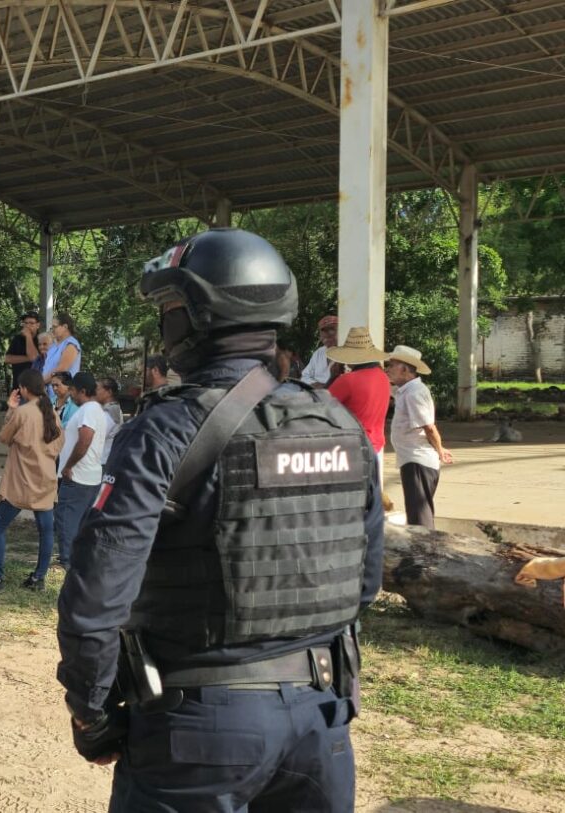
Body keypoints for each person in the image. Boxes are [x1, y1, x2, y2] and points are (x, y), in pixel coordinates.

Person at [57, 228, 384, 812]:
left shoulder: (162, 430)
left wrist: (91, 709)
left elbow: (96, 595)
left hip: (197, 732)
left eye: (169, 310)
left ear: (194, 318)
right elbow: (364, 581)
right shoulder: (338, 424)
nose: (165, 326)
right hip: (322, 722)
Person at [0, 369, 64, 593]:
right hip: (45, 479)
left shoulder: (23, 412)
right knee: (46, 531)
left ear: (23, 389)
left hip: (22, 480)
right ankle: (38, 578)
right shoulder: (51, 411)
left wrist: (10, 409)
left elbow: (4, 437)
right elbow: (59, 444)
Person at [387, 345, 454, 529]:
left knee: (419, 519)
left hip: (417, 461)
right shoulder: (405, 390)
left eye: (392, 365)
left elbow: (429, 427)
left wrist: (439, 449)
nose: (388, 369)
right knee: (417, 514)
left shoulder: (414, 393)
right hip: (414, 458)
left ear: (404, 369)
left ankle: (425, 555)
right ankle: (423, 553)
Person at [54, 371, 106, 568]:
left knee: (66, 519)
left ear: (82, 391)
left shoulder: (88, 410)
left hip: (78, 477)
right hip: (88, 477)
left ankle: (68, 561)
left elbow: (85, 439)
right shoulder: (95, 410)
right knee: (78, 521)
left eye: (73, 391)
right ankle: (78, 559)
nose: (71, 395)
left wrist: (68, 465)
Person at [327, 327, 391, 485]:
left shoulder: (347, 380)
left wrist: (332, 378)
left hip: (351, 447)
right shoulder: (383, 377)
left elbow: (323, 406)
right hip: (376, 444)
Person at [42, 313, 82, 399]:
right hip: (48, 393)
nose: (52, 330)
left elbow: (61, 370)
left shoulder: (71, 344)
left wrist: (40, 382)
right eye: (51, 327)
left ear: (65, 327)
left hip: (63, 395)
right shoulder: (53, 345)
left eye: (55, 327)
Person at [4, 311, 41, 389]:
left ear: (38, 325)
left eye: (31, 323)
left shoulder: (42, 339)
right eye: (25, 323)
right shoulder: (17, 339)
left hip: (35, 387)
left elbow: (34, 358)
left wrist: (28, 336)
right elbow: (7, 359)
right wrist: (28, 358)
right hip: (18, 387)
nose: (28, 326)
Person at [302, 314, 340, 388]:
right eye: (323, 330)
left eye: (332, 329)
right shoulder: (319, 352)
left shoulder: (348, 353)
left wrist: (326, 386)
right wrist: (316, 384)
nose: (327, 334)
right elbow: (305, 376)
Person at [95, 376, 123, 465]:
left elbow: (98, 435)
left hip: (104, 461)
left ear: (109, 392)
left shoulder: (111, 410)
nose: (95, 392)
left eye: (98, 389)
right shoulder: (108, 408)